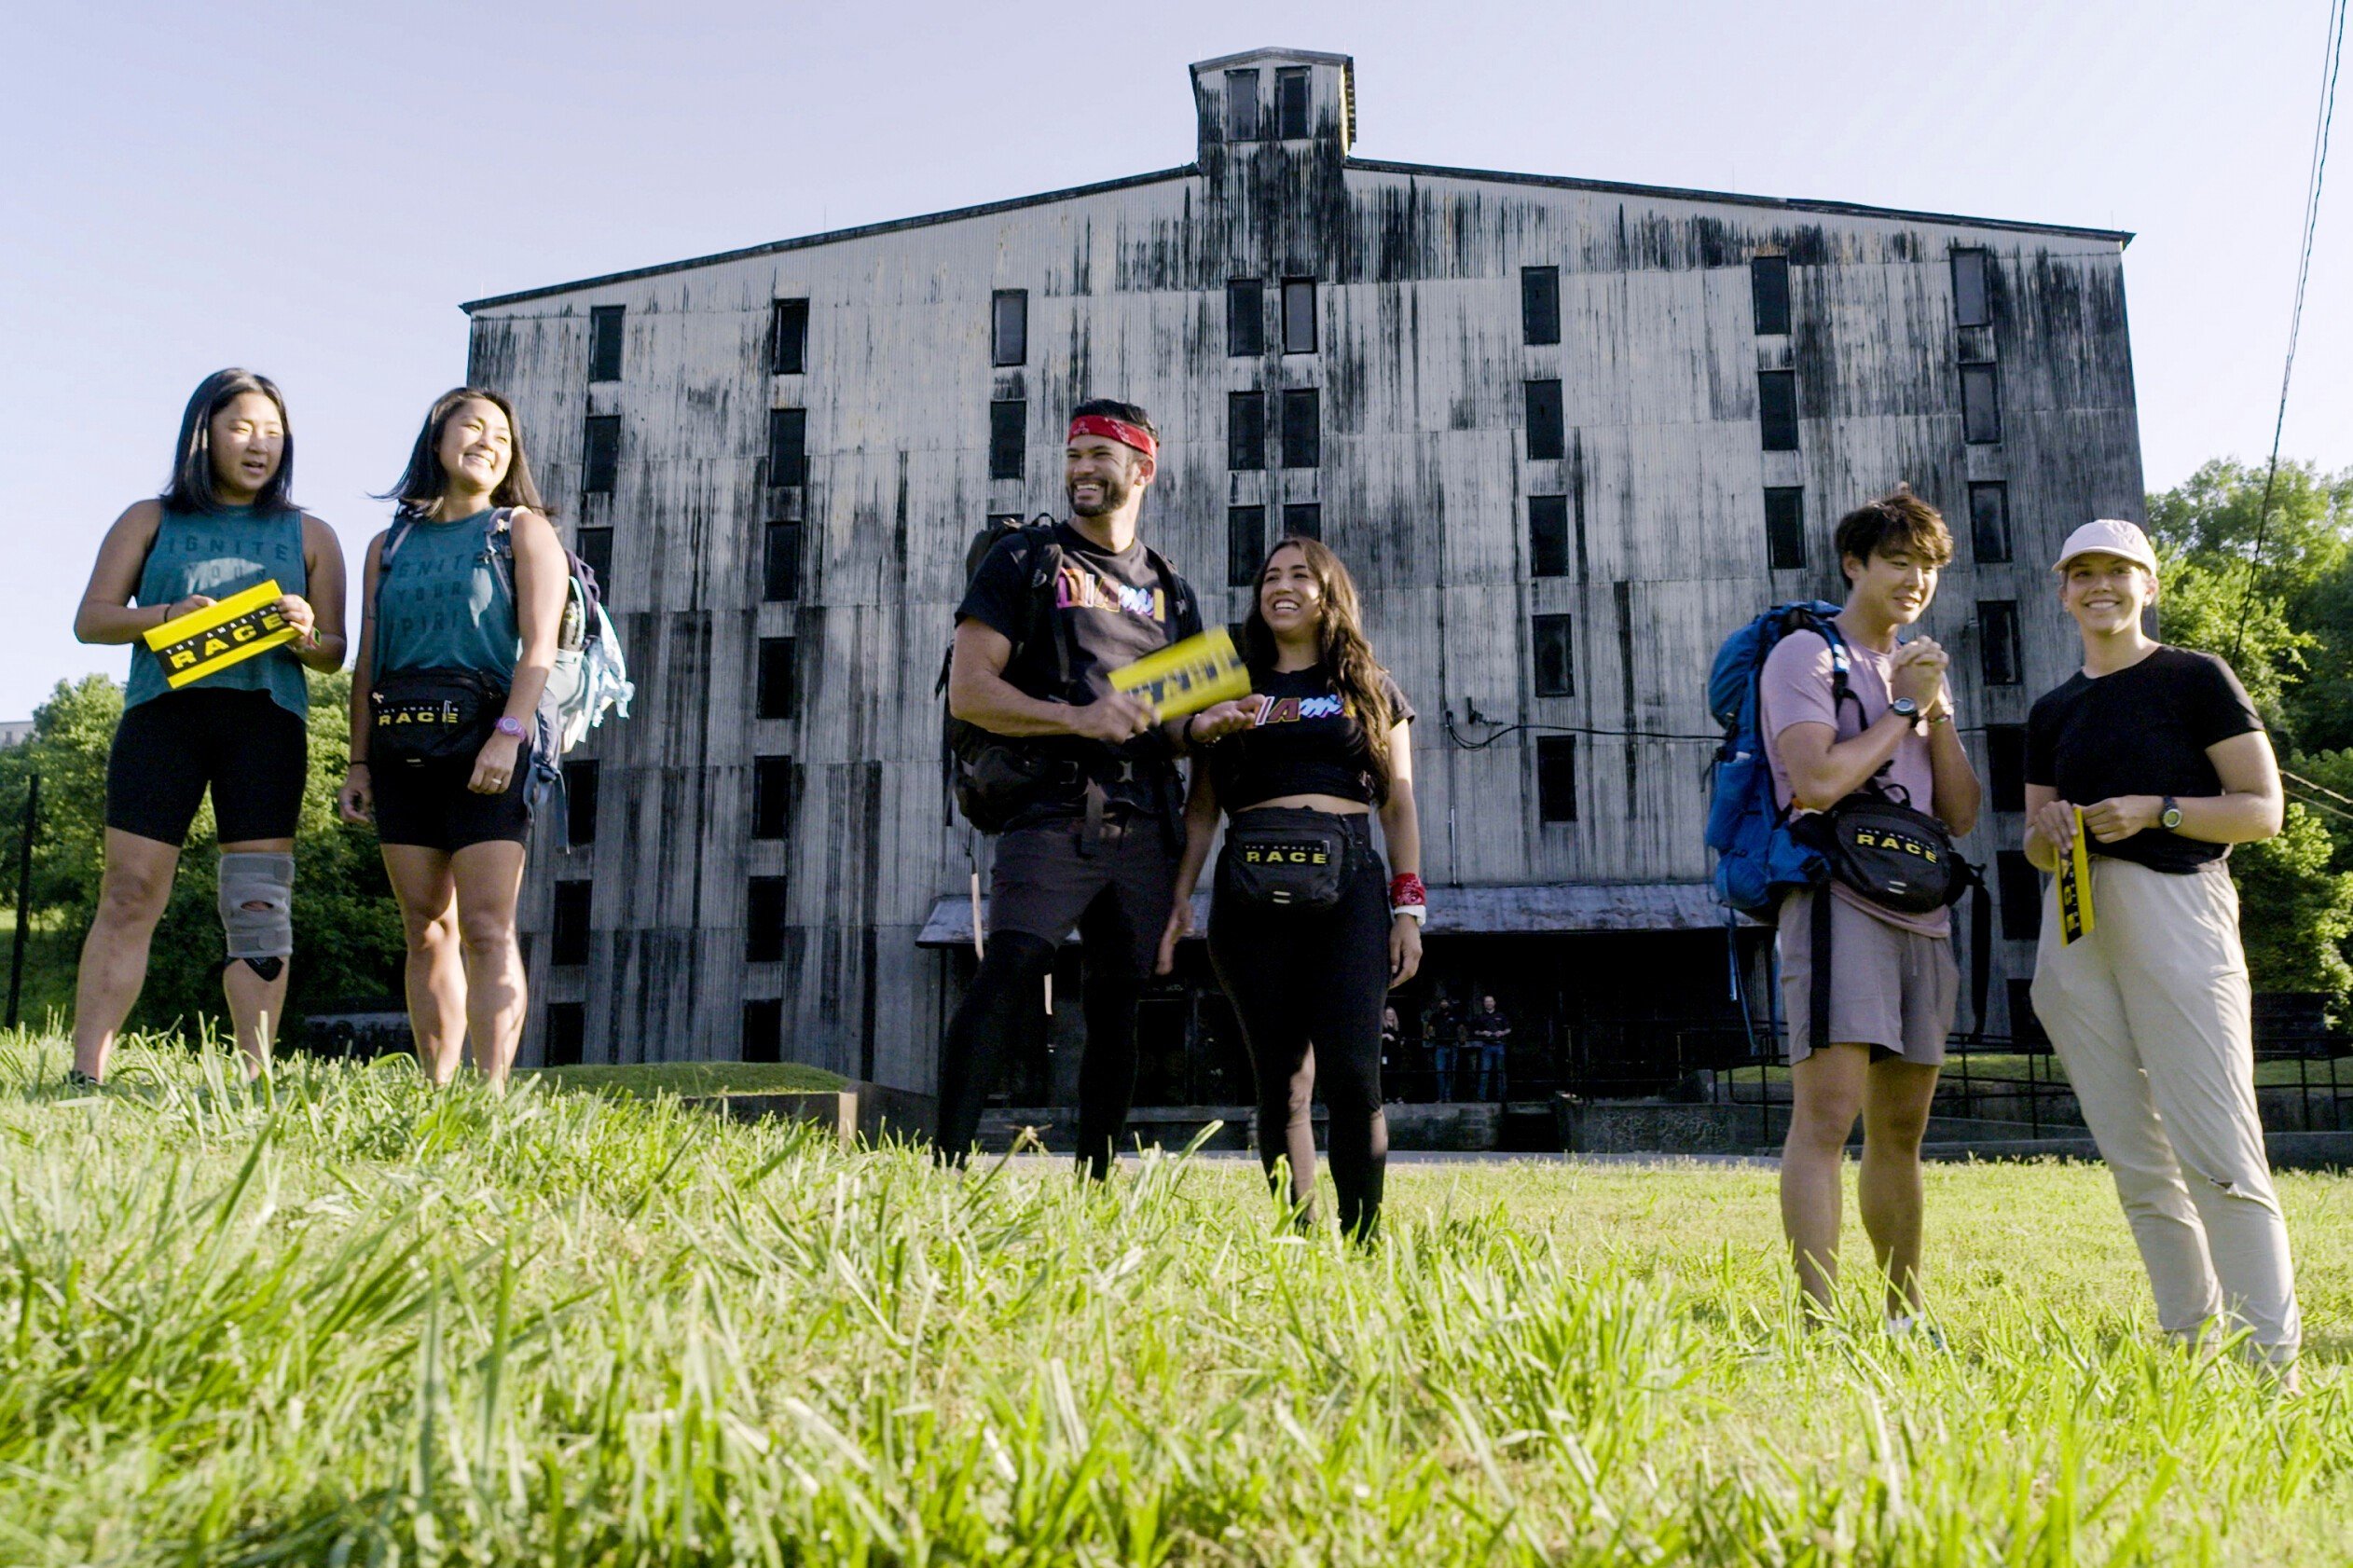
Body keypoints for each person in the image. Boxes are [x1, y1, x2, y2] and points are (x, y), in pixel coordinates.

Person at [931, 400, 1256, 1176]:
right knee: (1007, 970)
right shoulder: (1022, 561)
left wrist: (1204, 729)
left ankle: (1098, 1182)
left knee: (1118, 1006)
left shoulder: (1171, 591)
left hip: (1147, 818)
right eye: (1073, 454)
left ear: (1142, 469)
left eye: (1099, 457)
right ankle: (943, 1169)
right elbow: (971, 693)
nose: (1081, 469)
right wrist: (1081, 717)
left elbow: (1169, 726)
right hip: (1051, 806)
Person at [2023, 518, 2300, 1371]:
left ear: (2150, 585)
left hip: (2178, 906)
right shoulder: (2051, 708)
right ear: (2064, 591)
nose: (2099, 586)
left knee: (2217, 1146)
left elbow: (2261, 810)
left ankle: (2270, 1368)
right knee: (2135, 1155)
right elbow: (2035, 839)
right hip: (2075, 926)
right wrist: (2052, 826)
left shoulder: (2194, 678)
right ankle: (2189, 1347)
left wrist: (2158, 809)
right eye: (2082, 574)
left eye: (2118, 571)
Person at [67, 369, 348, 1083]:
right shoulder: (148, 519)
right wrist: (164, 616)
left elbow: (333, 655)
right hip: (163, 720)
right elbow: (90, 620)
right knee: (128, 893)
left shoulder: (311, 533)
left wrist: (304, 631)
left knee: (258, 901)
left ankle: (253, 1083)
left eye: (274, 433)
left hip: (266, 725)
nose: (260, 445)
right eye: (242, 428)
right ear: (205, 434)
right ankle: (85, 1074)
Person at [1158, 536, 1425, 1239]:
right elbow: (1199, 803)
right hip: (1250, 899)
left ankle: (1363, 1241)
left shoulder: (1370, 683)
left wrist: (1409, 911)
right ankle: (1298, 1240)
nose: (1281, 585)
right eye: (1269, 575)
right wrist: (1179, 896)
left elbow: (1399, 804)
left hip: (1351, 895)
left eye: (1300, 575)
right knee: (1281, 1081)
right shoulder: (1223, 675)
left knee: (1353, 1076)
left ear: (1328, 593)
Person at [1761, 488, 1979, 1327]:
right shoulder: (1806, 659)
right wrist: (1897, 706)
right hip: (1836, 897)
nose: (1915, 579)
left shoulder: (1921, 672)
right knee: (1825, 1118)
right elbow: (1815, 782)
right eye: (1898, 561)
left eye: (1927, 566)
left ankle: (1902, 1314)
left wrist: (1936, 712)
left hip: (1923, 906)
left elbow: (1960, 813)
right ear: (1855, 565)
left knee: (1902, 1129)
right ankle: (1819, 1320)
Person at [337, 389, 566, 1090]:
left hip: (490, 745)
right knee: (424, 925)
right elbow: (370, 660)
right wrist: (357, 761)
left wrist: (508, 735)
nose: (489, 442)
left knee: (488, 927)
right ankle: (437, 1089)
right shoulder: (390, 544)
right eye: (473, 427)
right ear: (437, 440)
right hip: (402, 745)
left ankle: (490, 1089)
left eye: (502, 435)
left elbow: (540, 649)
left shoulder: (520, 530)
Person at [1467, 993, 1512, 1102]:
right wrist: (1483, 1033)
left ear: (1494, 1003)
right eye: (1487, 1002)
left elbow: (1509, 1029)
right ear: (1484, 1004)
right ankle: (1481, 1097)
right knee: (1484, 1073)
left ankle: (1502, 1098)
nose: (1489, 1003)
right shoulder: (1480, 1017)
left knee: (1501, 1073)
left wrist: (1502, 1032)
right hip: (1486, 1047)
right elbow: (1475, 1031)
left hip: (1499, 1045)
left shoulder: (1501, 1015)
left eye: (1490, 1001)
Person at [1424, 992, 1463, 1102]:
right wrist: (1429, 1034)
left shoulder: (1455, 1016)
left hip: (1452, 1046)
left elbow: (1462, 1028)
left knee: (1451, 1072)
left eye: (1446, 1002)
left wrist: (1460, 1038)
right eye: (1442, 1002)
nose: (1444, 1004)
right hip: (1440, 1046)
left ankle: (1449, 1096)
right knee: (1440, 1072)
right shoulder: (1435, 1016)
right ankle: (1441, 1097)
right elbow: (1430, 1028)